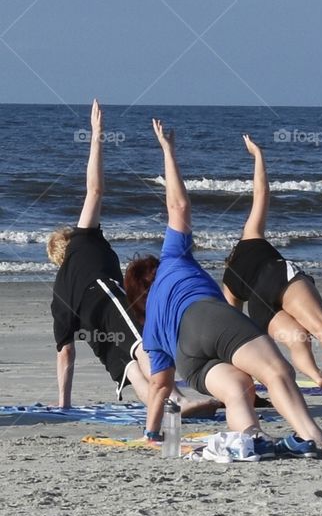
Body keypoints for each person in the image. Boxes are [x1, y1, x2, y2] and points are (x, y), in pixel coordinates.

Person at [126, 118, 322, 457]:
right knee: (276, 370)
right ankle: (315, 437)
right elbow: (178, 206)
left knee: (239, 388)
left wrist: (151, 433)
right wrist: (168, 151)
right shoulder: (172, 258)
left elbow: (160, 385)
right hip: (204, 317)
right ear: (154, 271)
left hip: (189, 361)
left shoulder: (150, 324)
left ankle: (250, 439)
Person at [48, 100, 216, 416]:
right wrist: (96, 135)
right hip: (106, 298)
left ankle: (160, 407)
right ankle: (178, 399)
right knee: (142, 345)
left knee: (129, 368)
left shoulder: (58, 293)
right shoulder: (83, 240)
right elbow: (94, 191)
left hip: (93, 332)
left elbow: (65, 352)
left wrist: (64, 404)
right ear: (68, 240)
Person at [221, 135, 322, 389]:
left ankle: (317, 376)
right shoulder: (249, 238)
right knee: (320, 326)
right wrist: (258, 155)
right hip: (276, 275)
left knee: (297, 340)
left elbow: (235, 327)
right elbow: (261, 193)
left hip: (258, 305)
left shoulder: (229, 283)